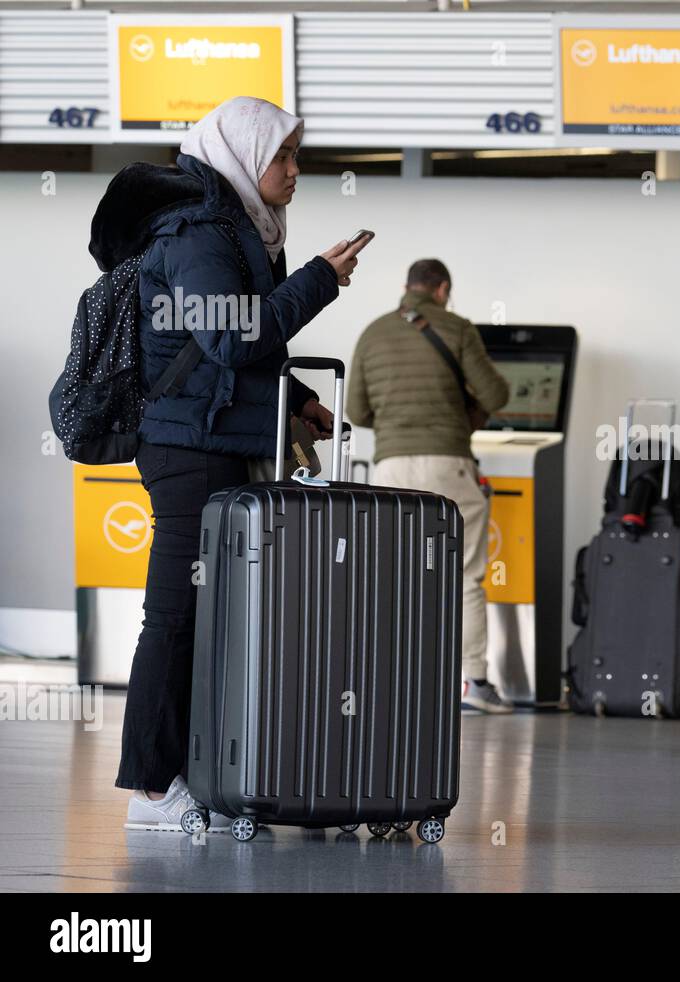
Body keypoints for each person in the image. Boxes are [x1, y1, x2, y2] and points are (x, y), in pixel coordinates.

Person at [104, 96, 370, 831]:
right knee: (178, 616)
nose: (294, 172)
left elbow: (249, 347)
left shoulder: (239, 229)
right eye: (282, 156)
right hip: (189, 448)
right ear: (243, 156)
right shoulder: (196, 231)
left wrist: (300, 400)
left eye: (296, 157)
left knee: (217, 618)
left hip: (218, 437)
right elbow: (229, 337)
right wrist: (317, 278)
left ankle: (195, 768)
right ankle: (151, 791)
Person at [346, 260, 512, 713]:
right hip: (448, 464)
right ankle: (474, 682)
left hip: (391, 469)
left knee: (392, 575)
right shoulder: (457, 329)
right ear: (442, 290)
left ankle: (390, 679)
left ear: (406, 288)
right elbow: (496, 395)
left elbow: (357, 412)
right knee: (465, 574)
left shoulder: (373, 333)